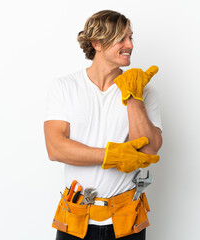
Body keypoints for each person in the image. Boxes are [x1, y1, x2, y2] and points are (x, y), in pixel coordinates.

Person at [44, 10, 163, 240]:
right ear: (96, 43)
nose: (129, 44)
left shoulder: (143, 89)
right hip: (75, 219)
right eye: (121, 38)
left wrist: (133, 96)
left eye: (131, 37)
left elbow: (148, 151)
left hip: (126, 221)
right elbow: (55, 148)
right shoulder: (65, 87)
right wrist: (113, 156)